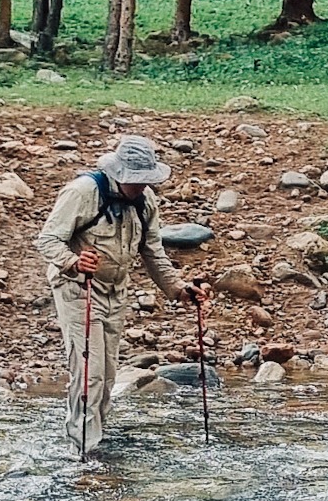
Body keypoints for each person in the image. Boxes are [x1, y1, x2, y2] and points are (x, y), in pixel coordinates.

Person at [33, 135, 210, 458]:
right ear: (119, 173)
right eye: (136, 180)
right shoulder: (83, 192)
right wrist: (73, 262)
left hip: (116, 290)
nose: (141, 186)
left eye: (146, 180)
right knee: (90, 372)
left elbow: (153, 253)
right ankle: (81, 450)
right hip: (78, 289)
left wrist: (179, 290)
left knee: (108, 372)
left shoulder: (146, 201)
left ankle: (94, 438)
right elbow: (47, 240)